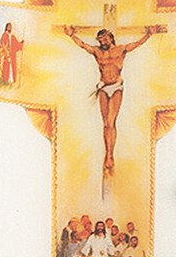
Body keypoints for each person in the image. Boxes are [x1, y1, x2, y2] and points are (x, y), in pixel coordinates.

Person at [63, 24, 163, 169]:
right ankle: (107, 154)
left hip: (116, 87)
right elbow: (83, 45)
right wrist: (71, 35)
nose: (102, 42)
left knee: (111, 121)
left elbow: (136, 44)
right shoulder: (97, 52)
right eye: (100, 40)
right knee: (106, 124)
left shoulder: (121, 49)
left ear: (110, 38)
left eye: (104, 39)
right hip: (103, 88)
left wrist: (149, 34)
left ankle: (110, 155)